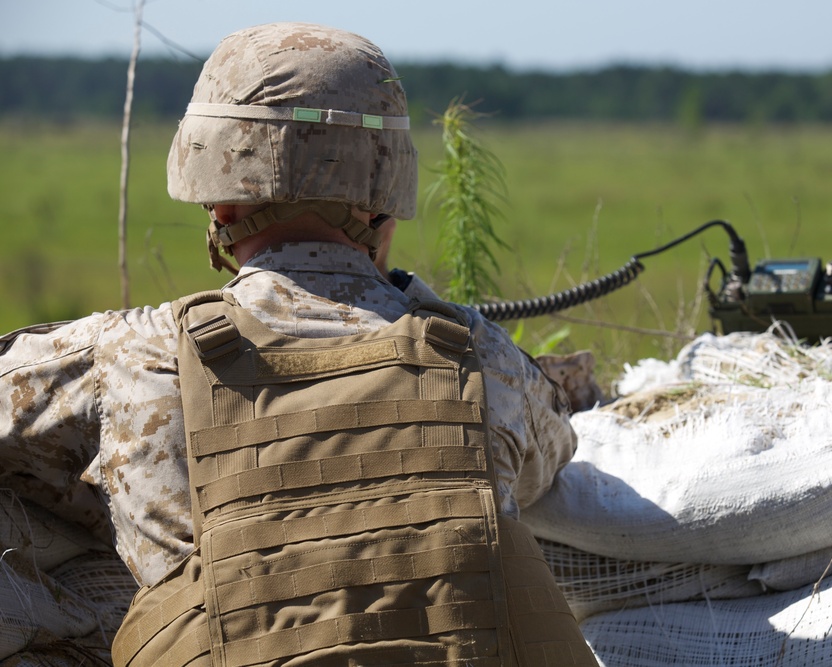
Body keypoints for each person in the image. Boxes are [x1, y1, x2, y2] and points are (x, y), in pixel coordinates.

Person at [0, 22, 597, 666]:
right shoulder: (483, 362)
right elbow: (549, 455)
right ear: (385, 201)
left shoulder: (132, 358)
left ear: (218, 204)